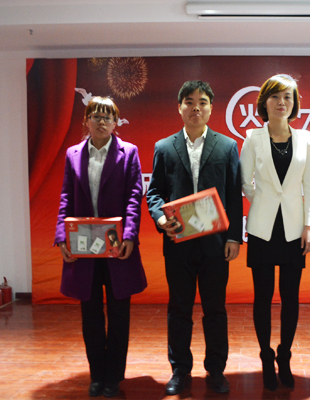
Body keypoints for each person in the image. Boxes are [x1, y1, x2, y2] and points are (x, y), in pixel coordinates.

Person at [146, 80, 243, 395]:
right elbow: (154, 192)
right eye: (189, 102)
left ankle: (216, 370)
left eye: (202, 102)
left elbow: (234, 195)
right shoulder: (164, 147)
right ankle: (180, 370)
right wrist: (161, 218)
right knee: (179, 309)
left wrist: (234, 238)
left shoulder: (227, 146)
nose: (196, 108)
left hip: (216, 245)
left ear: (211, 108)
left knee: (215, 310)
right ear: (180, 107)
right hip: (178, 244)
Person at [54, 96, 147, 398]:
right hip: (84, 246)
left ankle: (113, 377)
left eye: (108, 116)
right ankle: (97, 375)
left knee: (119, 314)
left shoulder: (128, 152)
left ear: (116, 122)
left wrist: (129, 235)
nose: (102, 121)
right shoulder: (73, 154)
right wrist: (62, 236)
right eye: (96, 115)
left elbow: (134, 196)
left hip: (117, 246)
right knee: (91, 314)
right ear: (86, 121)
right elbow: (66, 196)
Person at [239, 74, 310, 391]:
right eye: (275, 96)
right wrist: (263, 201)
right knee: (262, 297)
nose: (281, 102)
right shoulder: (252, 138)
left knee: (290, 297)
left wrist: (309, 225)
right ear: (264, 102)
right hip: (262, 227)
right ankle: (265, 355)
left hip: (294, 229)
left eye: (287, 97)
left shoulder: (306, 139)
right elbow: (244, 181)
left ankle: (284, 356)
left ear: (294, 103)